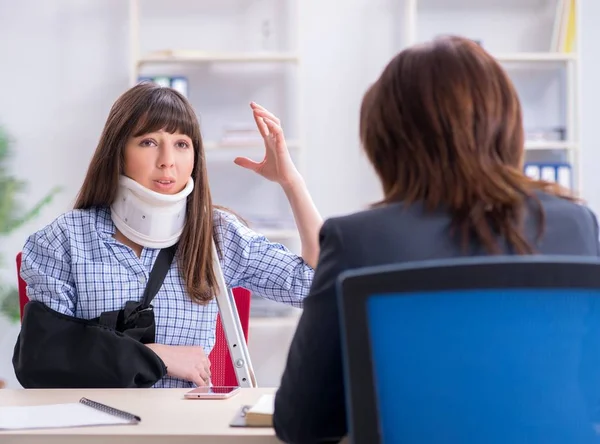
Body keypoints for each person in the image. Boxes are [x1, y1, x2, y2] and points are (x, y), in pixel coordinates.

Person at [272, 35, 600, 443]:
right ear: (508, 126)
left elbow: (302, 423)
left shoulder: (357, 240)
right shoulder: (575, 226)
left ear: (386, 141)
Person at [13, 81, 321, 389]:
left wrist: (291, 182)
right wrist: (156, 357)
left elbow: (315, 285)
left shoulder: (217, 235)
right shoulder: (65, 239)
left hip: (184, 428)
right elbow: (41, 358)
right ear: (118, 152)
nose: (167, 161)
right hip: (95, 428)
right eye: (148, 142)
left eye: (181, 144)